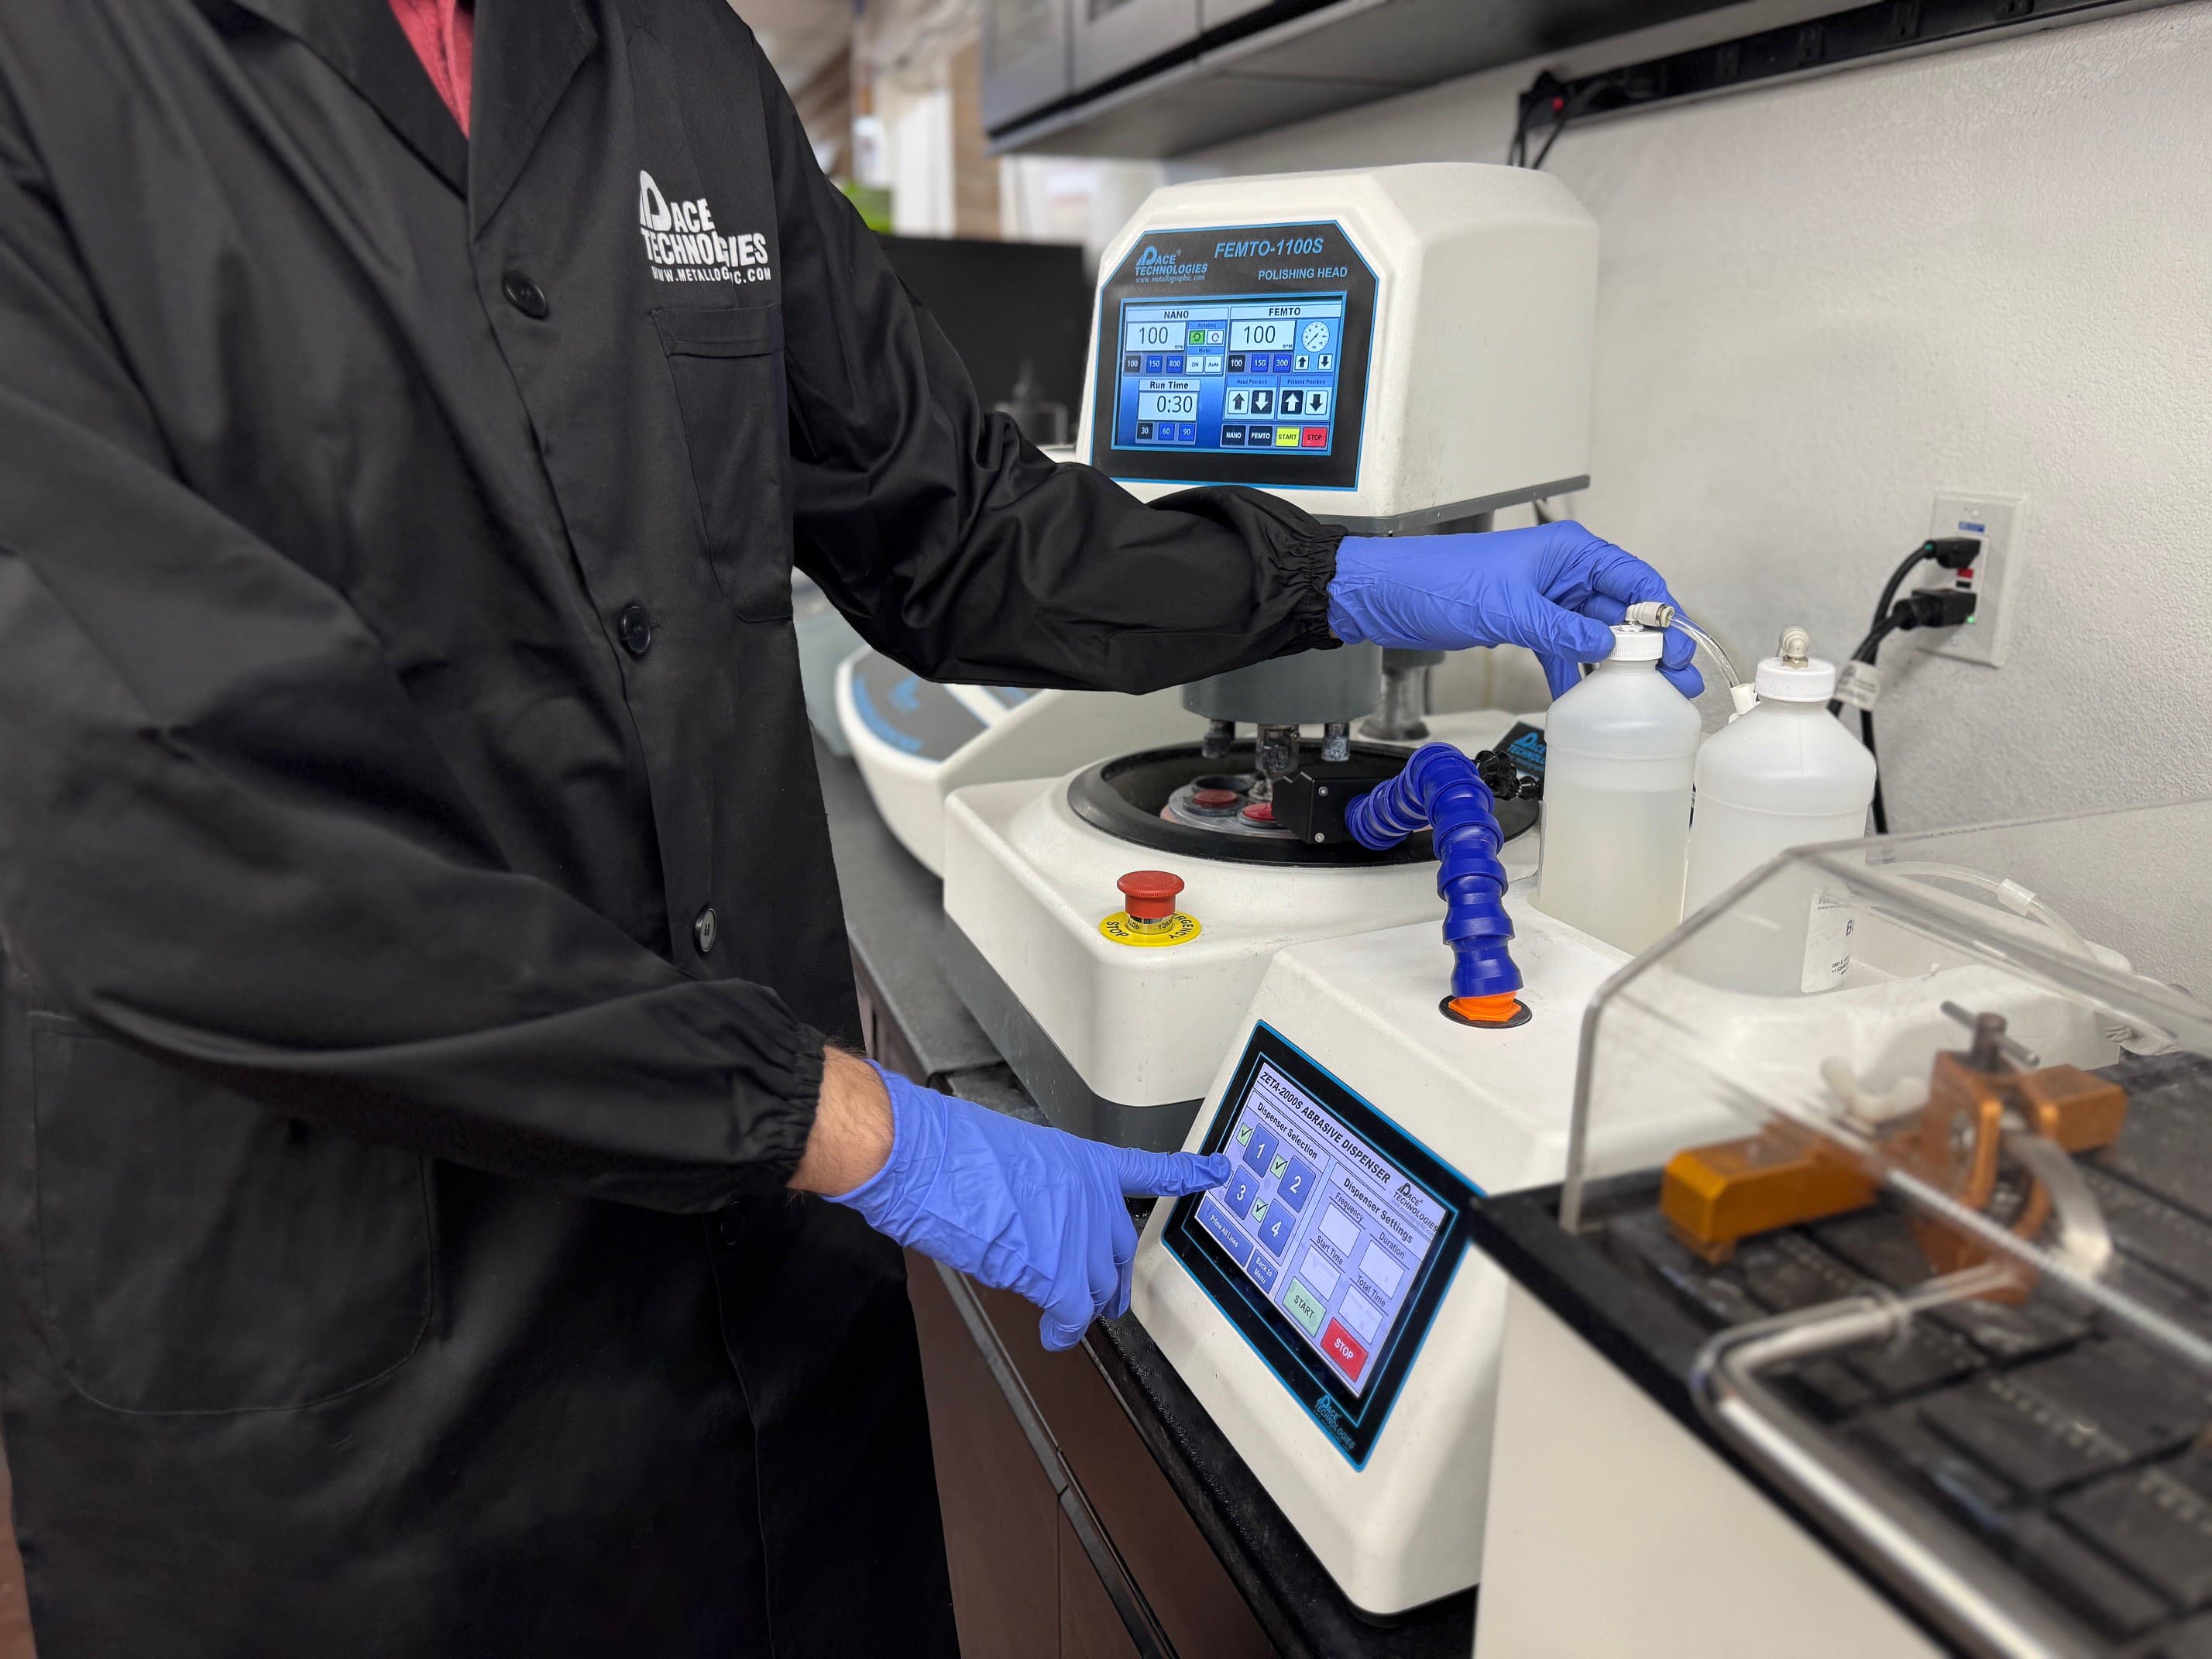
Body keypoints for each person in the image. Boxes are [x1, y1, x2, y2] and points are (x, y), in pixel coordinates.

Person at [0, 2, 1700, 1654]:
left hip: (765, 1329)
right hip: (354, 1382)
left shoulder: (671, 58)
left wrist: (1354, 576)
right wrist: (857, 1129)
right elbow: (149, 824)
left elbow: (954, 526)